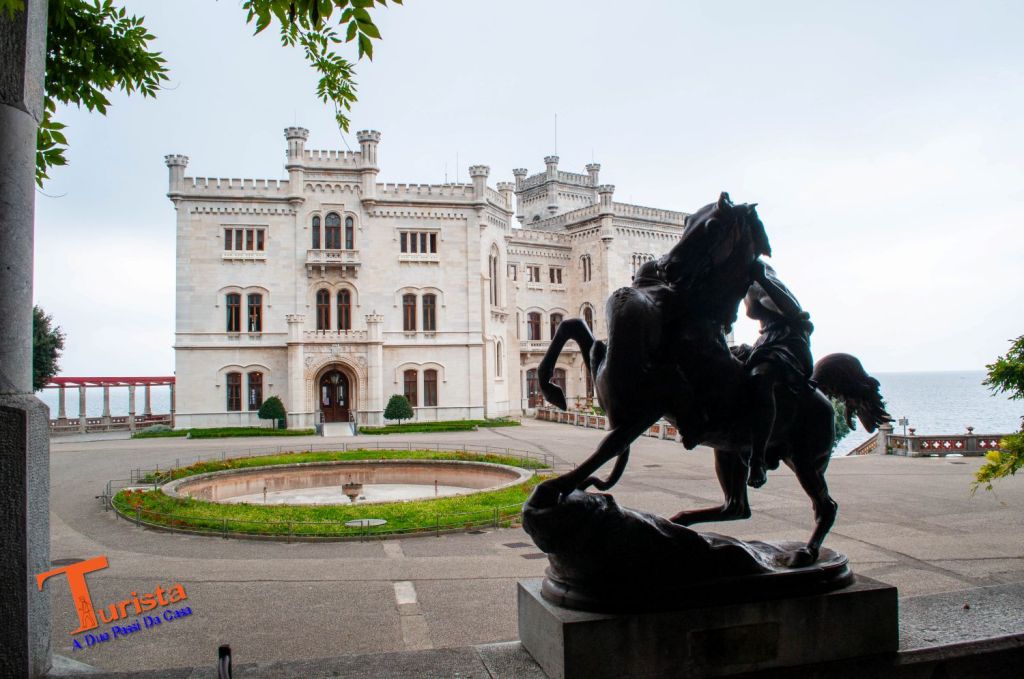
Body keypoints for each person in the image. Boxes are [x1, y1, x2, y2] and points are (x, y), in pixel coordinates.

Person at [743, 261, 814, 487]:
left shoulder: (760, 277)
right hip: (765, 341)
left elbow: (793, 310)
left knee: (760, 378)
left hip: (787, 344)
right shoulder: (738, 281)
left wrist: (762, 279)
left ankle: (757, 458)